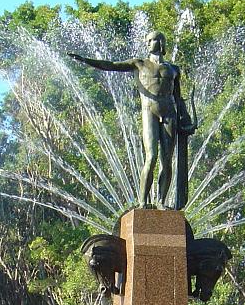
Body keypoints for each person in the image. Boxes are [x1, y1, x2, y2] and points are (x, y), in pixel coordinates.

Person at [69, 31, 195, 208]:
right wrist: (85, 60)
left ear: (163, 43)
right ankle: (142, 202)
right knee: (151, 157)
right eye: (150, 40)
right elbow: (111, 65)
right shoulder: (139, 64)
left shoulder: (173, 69)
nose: (153, 43)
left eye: (156, 40)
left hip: (169, 113)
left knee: (167, 160)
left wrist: (186, 117)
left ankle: (161, 202)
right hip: (149, 111)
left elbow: (178, 97)